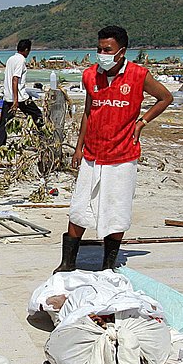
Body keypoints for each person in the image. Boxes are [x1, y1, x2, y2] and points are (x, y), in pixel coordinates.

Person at [55, 25, 173, 273]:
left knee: (116, 209)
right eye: (99, 49)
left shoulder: (139, 75)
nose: (102, 54)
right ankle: (67, 263)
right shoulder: (90, 76)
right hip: (92, 154)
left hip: (122, 156)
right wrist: (78, 147)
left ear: (121, 52)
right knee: (79, 207)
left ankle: (108, 265)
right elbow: (88, 112)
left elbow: (165, 97)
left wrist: (142, 122)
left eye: (107, 49)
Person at [0, 39, 44, 147]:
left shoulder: (10, 59)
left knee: (3, 123)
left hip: (8, 96)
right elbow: (15, 79)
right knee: (37, 115)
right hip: (20, 97)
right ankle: (44, 140)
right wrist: (16, 100)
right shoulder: (21, 60)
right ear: (26, 50)